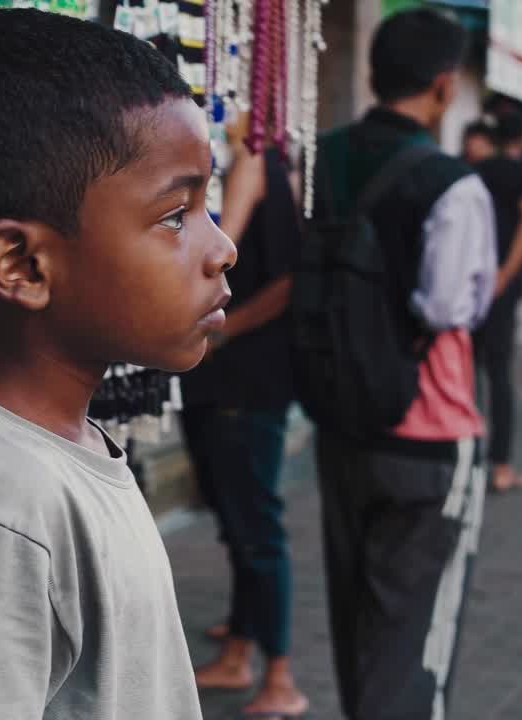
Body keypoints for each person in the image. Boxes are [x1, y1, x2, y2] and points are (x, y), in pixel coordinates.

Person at [0, 9, 236, 720]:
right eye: (174, 217)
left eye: (206, 207)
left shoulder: (60, 459)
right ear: (24, 264)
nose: (221, 248)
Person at [312, 9, 497, 719]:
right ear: (445, 88)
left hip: (341, 417)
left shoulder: (323, 159)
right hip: (429, 430)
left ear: (371, 75)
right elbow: (450, 306)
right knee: (415, 633)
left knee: (356, 614)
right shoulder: (452, 183)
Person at [182, 142, 308, 718]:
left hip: (250, 382)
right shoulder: (222, 179)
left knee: (257, 528)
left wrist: (225, 334)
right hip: (214, 384)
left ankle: (280, 677)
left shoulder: (268, 179)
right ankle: (239, 649)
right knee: (237, 521)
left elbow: (287, 284)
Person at [473, 109, 522, 492]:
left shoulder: (480, 169)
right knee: (499, 375)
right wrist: (506, 274)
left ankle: (466, 457)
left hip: (475, 280)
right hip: (498, 283)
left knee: (468, 372)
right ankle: (500, 466)